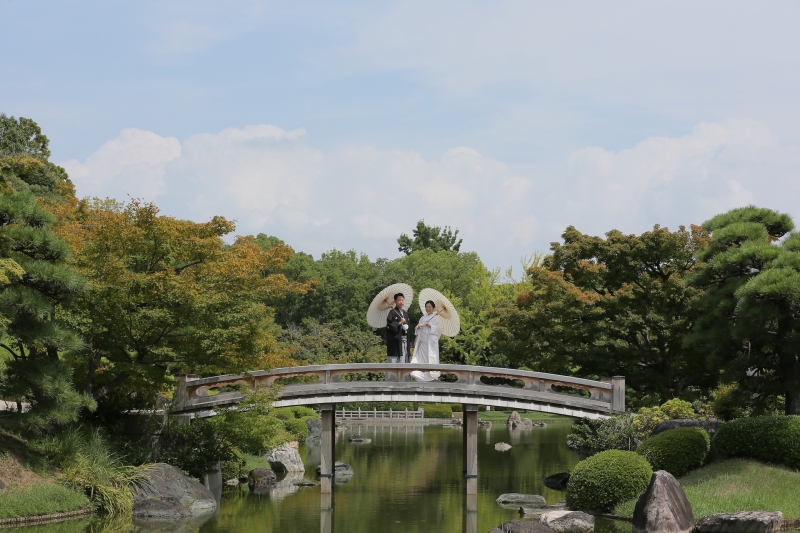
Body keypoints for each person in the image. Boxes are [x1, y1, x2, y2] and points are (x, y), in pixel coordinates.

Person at [410, 300, 441, 381]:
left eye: (429, 307)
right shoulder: (422, 318)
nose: (428, 308)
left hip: (431, 344)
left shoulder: (436, 319)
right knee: (420, 359)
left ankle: (429, 378)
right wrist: (418, 327)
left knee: (430, 359)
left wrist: (430, 325)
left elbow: (439, 331)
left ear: (433, 308)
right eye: (426, 307)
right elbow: (417, 329)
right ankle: (420, 376)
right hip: (422, 343)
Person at [386, 293, 411, 363]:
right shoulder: (392, 313)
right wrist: (399, 323)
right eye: (399, 300)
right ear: (395, 301)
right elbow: (389, 325)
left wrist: (406, 327)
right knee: (394, 360)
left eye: (402, 300)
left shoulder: (405, 314)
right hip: (396, 342)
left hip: (405, 340)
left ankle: (404, 374)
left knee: (405, 358)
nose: (401, 302)